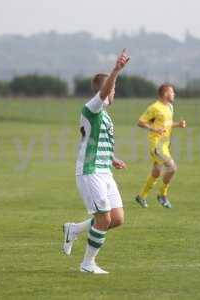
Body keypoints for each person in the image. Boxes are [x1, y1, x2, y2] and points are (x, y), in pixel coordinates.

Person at [62, 49, 130, 274]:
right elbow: (104, 93)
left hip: (104, 171)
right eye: (112, 88)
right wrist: (116, 70)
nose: (114, 92)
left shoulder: (105, 115)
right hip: (90, 171)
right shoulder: (92, 107)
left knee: (117, 218)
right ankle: (87, 264)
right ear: (104, 89)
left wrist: (112, 158)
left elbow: (95, 139)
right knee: (103, 220)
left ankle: (74, 229)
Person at [135, 84, 186, 209]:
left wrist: (178, 124)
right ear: (165, 94)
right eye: (172, 92)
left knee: (157, 172)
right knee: (172, 167)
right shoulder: (154, 107)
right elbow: (140, 122)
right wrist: (153, 129)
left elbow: (166, 124)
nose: (174, 94)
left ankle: (141, 196)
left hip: (165, 144)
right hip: (157, 144)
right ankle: (162, 195)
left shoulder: (169, 107)